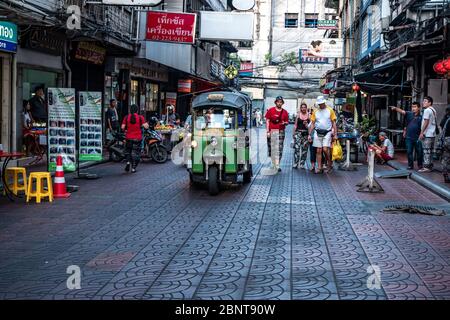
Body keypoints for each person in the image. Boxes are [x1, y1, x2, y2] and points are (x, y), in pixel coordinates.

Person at [308, 96, 337, 174]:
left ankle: (329, 163)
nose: (320, 105)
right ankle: (320, 167)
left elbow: (334, 122)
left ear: (324, 102)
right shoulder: (315, 111)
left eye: (321, 103)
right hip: (317, 132)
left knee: (325, 149)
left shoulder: (330, 110)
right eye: (319, 104)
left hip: (327, 132)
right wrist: (309, 134)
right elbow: (312, 124)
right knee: (318, 150)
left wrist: (335, 134)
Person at [391, 102, 423, 170]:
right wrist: (395, 108)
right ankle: (410, 165)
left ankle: (420, 165)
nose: (413, 108)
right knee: (409, 152)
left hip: (418, 137)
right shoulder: (409, 114)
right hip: (409, 137)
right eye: (412, 107)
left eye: (415, 107)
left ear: (419, 108)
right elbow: (402, 111)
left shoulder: (422, 116)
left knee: (419, 152)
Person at [121, 104, 149, 173]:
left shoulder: (126, 117)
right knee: (136, 153)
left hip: (128, 138)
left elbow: (122, 127)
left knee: (128, 152)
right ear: (137, 110)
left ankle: (128, 162)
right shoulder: (140, 117)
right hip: (137, 138)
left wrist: (126, 130)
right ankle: (133, 168)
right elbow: (146, 127)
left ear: (130, 110)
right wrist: (143, 124)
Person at [265, 96, 289, 172]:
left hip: (281, 131)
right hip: (272, 131)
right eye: (278, 102)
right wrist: (268, 131)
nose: (279, 103)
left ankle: (277, 165)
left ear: (282, 103)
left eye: (280, 102)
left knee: (279, 148)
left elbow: (287, 122)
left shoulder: (285, 112)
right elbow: (267, 121)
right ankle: (273, 163)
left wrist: (285, 123)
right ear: (275, 102)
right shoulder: (271, 110)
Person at [419, 96, 437, 172]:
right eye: (423, 101)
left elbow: (426, 122)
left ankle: (426, 167)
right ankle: (430, 166)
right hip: (432, 134)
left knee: (426, 150)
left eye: (425, 101)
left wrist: (421, 132)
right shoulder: (433, 110)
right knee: (430, 151)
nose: (423, 102)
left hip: (427, 134)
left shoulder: (427, 110)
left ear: (430, 103)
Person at [292, 103, 311, 169]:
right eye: (302, 107)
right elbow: (295, 125)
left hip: (305, 134)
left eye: (304, 107)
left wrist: (309, 133)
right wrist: (293, 134)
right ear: (300, 108)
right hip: (298, 133)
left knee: (305, 149)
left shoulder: (309, 115)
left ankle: (302, 163)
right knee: (297, 148)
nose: (303, 108)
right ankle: (296, 163)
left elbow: (310, 127)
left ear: (306, 108)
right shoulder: (298, 115)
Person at [439, 105, 450, 183]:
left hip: (446, 140)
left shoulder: (445, 119)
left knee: (445, 157)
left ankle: (445, 175)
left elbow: (441, 127)